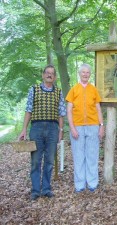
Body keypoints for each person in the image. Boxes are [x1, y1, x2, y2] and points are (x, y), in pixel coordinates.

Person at [18, 65, 66, 201]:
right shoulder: (34, 89)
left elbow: (61, 113)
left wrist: (61, 131)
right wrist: (24, 129)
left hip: (53, 128)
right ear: (43, 75)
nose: (49, 75)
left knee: (50, 160)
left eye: (52, 73)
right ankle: (35, 190)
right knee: (35, 160)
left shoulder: (58, 92)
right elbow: (28, 110)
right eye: (47, 73)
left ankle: (46, 188)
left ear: (55, 77)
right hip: (36, 128)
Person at [66, 63, 105, 193]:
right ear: (79, 73)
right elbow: (69, 110)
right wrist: (72, 128)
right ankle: (79, 185)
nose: (85, 74)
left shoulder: (93, 89)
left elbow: (98, 109)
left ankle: (92, 183)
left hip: (93, 126)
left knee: (92, 155)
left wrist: (101, 126)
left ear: (90, 74)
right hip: (77, 127)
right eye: (83, 72)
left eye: (87, 72)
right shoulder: (74, 90)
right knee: (78, 156)